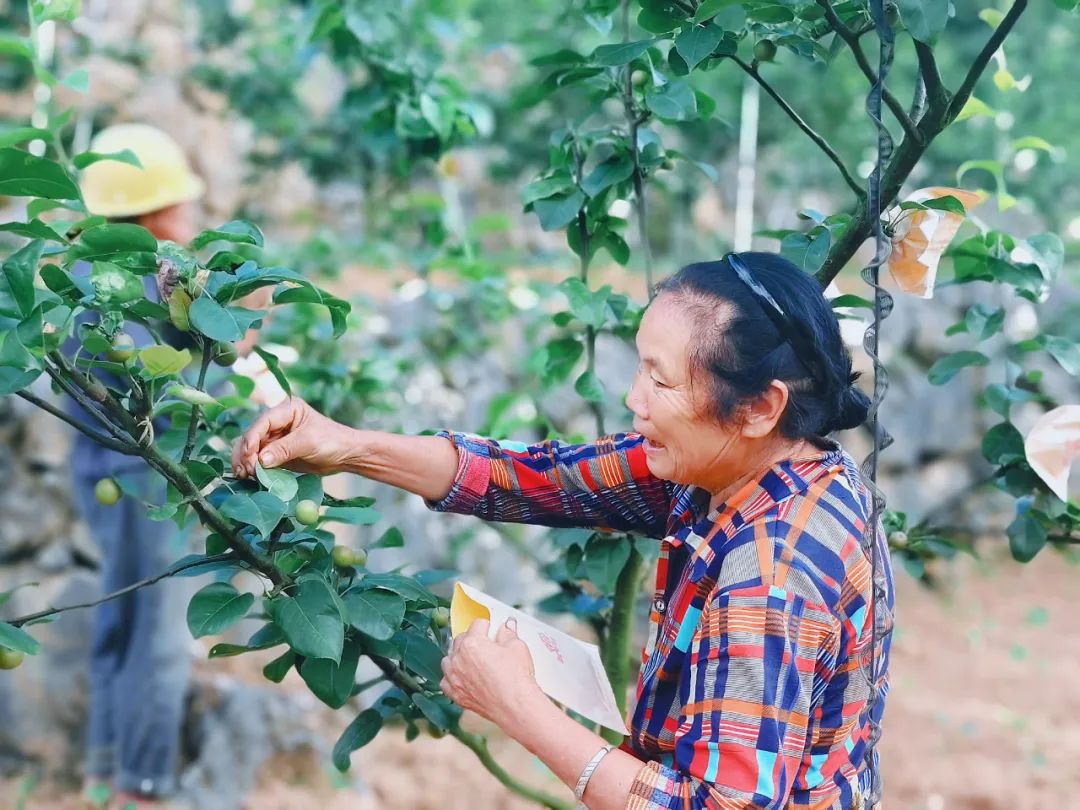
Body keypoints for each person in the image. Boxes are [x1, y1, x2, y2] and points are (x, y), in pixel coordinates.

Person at [233, 252, 894, 809]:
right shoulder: (741, 468)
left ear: (758, 406)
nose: (634, 400)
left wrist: (520, 709)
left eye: (660, 380)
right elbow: (525, 478)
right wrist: (345, 445)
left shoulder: (768, 574)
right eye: (640, 366)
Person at [70, 123, 205, 810]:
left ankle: (102, 772)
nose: (188, 217)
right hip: (149, 473)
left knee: (120, 620)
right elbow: (215, 351)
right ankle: (141, 787)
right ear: (146, 213)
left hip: (95, 465)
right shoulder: (145, 283)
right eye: (177, 205)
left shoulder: (80, 275)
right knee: (157, 633)